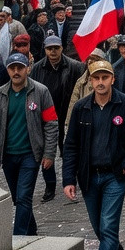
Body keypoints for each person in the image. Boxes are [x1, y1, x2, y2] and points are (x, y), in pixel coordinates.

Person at [61, 59, 125, 250]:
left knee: (108, 227)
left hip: (115, 176)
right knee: (100, 228)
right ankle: (114, 249)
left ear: (112, 79)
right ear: (90, 81)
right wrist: (68, 179)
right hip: (89, 176)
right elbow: (71, 145)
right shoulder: (81, 108)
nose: (101, 82)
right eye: (96, 78)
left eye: (105, 77)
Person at [0, 51, 58, 237]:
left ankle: (18, 237)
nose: (16, 72)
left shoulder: (41, 92)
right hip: (8, 156)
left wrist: (49, 154)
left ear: (28, 68)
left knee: (24, 196)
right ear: (8, 70)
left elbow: (51, 124)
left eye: (20, 68)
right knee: (19, 198)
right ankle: (32, 232)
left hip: (30, 155)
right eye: (12, 68)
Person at [30, 34, 83, 202]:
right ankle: (50, 185)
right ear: (45, 50)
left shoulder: (75, 67)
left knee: (70, 150)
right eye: (49, 48)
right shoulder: (38, 68)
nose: (53, 52)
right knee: (48, 150)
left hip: (68, 114)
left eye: (56, 48)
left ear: (61, 48)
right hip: (47, 116)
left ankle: (72, 182)